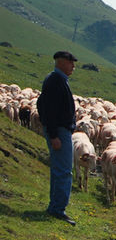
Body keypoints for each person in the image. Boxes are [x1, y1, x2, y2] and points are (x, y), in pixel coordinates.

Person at [37, 51, 78, 225]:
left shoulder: (57, 80)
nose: (73, 67)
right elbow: (49, 109)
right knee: (63, 171)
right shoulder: (55, 81)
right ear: (62, 62)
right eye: (71, 63)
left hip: (61, 130)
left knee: (59, 170)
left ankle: (55, 206)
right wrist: (53, 134)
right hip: (59, 131)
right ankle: (58, 209)